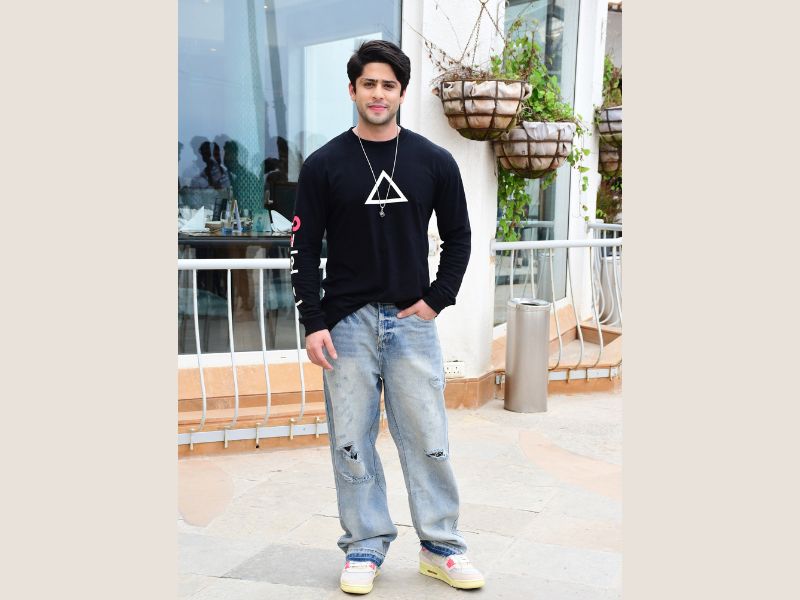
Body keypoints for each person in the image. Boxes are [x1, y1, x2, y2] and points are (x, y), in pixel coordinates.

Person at [290, 40, 484, 594]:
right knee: (351, 440)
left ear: (401, 93)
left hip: (411, 322)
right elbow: (303, 249)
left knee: (428, 437)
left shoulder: (433, 161)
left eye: (389, 85)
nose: (378, 94)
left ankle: (441, 547)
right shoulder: (324, 164)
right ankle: (365, 545)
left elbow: (460, 237)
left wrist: (437, 299)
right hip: (345, 325)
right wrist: (314, 321)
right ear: (352, 90)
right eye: (369, 84)